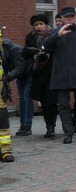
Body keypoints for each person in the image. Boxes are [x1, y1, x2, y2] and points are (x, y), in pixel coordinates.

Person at [44, 7, 76, 144]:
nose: (70, 18)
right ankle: (68, 133)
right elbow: (45, 45)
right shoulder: (55, 32)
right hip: (61, 75)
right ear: (62, 18)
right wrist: (58, 35)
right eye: (67, 17)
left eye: (72, 16)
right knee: (63, 105)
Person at [15, 14, 48, 135]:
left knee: (27, 97)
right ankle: (23, 124)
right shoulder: (29, 37)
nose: (39, 27)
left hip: (37, 71)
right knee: (22, 98)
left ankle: (27, 125)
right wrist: (29, 50)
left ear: (45, 25)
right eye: (36, 25)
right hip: (26, 70)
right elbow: (24, 53)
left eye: (41, 24)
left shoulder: (49, 36)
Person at [0, 21, 28, 162]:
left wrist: (7, 78)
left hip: (0, 94)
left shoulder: (9, 48)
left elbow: (20, 65)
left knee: (3, 124)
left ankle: (5, 150)